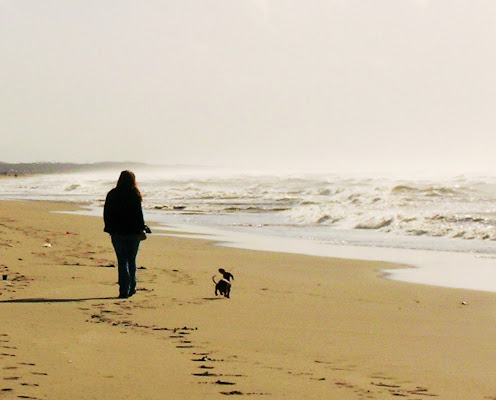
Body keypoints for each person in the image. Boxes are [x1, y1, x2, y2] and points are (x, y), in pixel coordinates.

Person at [104, 170, 149, 298]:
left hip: (117, 233)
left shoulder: (112, 194)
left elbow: (107, 214)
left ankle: (124, 289)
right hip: (133, 233)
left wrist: (110, 228)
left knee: (122, 261)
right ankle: (132, 287)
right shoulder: (134, 194)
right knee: (132, 260)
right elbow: (138, 215)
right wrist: (142, 229)